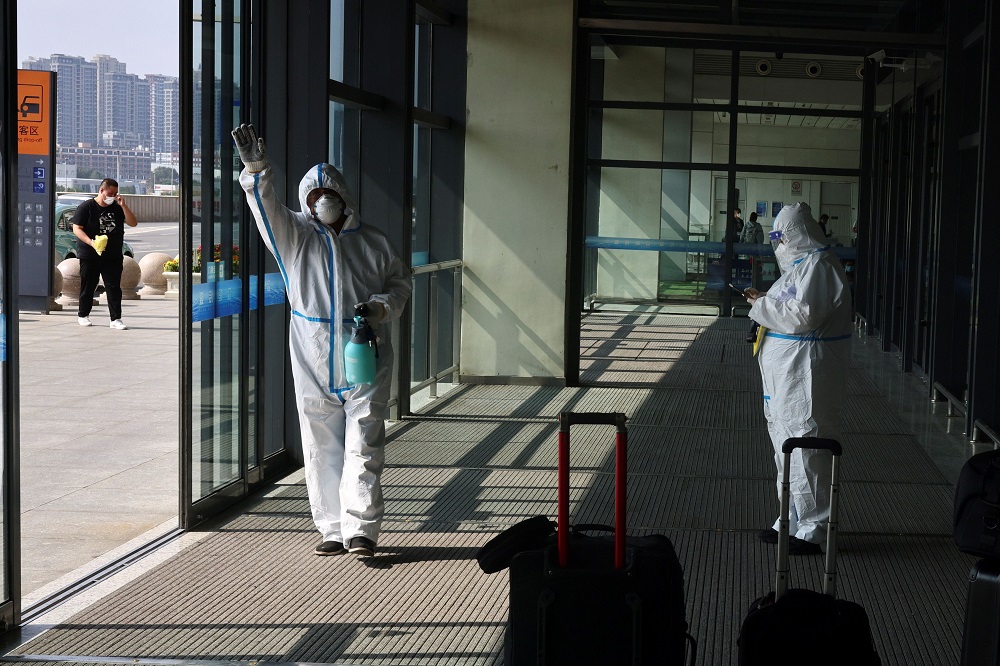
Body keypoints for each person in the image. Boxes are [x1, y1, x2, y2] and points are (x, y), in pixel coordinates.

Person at [232, 123, 412, 558]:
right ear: (305, 203)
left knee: (364, 442)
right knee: (320, 442)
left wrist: (380, 307)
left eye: (328, 194)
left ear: (345, 196)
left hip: (364, 352)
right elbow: (266, 210)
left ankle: (362, 529)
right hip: (312, 352)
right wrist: (257, 171)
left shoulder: (374, 242)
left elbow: (401, 283)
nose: (322, 202)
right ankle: (332, 528)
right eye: (314, 197)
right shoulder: (294, 239)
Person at [743, 202, 852, 555]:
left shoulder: (821, 266)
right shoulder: (799, 269)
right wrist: (763, 300)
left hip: (806, 375)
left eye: (782, 236)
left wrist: (760, 305)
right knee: (785, 445)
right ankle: (789, 517)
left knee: (808, 444)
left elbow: (802, 316)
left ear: (800, 233)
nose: (778, 243)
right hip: (786, 377)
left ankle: (815, 527)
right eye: (775, 237)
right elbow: (786, 307)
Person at [72, 178, 138, 330]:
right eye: (110, 193)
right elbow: (77, 228)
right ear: (101, 190)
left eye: (115, 193)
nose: (112, 196)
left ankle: (116, 319)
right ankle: (83, 315)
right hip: (90, 253)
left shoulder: (117, 207)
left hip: (113, 255)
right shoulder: (86, 207)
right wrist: (91, 242)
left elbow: (133, 222)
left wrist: (123, 205)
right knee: (88, 285)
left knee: (113, 286)